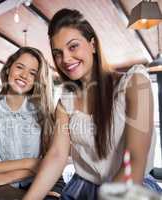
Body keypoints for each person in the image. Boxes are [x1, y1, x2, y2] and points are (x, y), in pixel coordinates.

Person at [23, 8, 162, 200]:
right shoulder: (65, 101)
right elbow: (56, 156)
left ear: (93, 44)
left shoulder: (135, 83)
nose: (65, 59)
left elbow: (135, 163)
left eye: (73, 47)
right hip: (81, 190)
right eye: (57, 53)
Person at [0, 47, 55, 191]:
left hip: (38, 187)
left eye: (32, 73)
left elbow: (52, 163)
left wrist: (10, 176)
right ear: (8, 68)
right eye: (20, 67)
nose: (24, 75)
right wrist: (30, 163)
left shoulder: (43, 111)